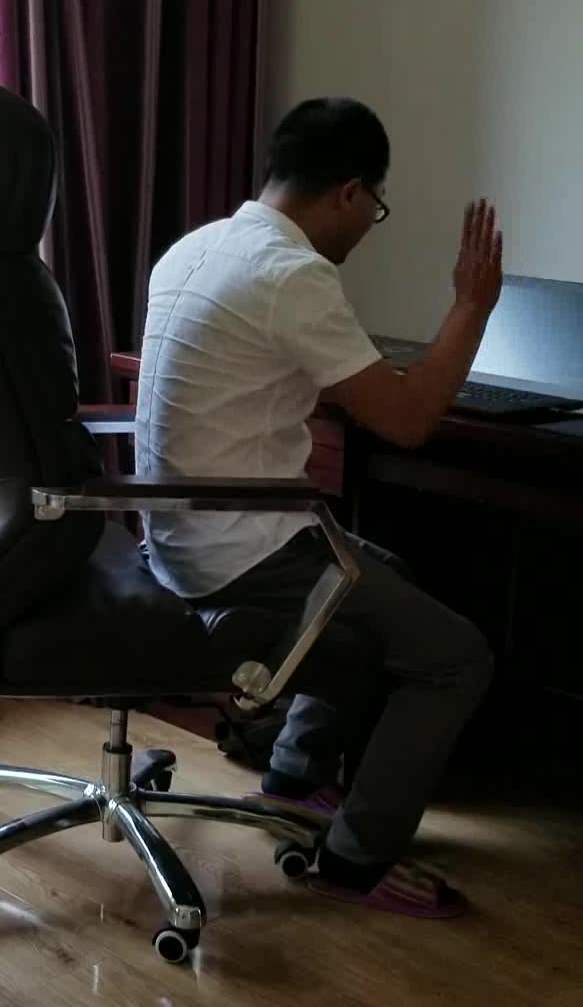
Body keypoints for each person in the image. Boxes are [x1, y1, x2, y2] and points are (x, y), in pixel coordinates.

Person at [134, 97, 502, 918]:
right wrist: (471, 307)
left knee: (389, 573)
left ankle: (296, 779)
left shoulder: (196, 247)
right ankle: (355, 861)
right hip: (241, 552)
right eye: (374, 207)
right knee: (457, 657)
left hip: (178, 538)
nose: (370, 224)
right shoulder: (294, 275)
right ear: (348, 192)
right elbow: (409, 420)